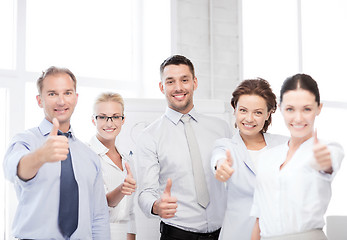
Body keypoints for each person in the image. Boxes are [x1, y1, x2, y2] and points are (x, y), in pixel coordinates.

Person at [3, 66, 110, 239]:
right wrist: (40, 156)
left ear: (76, 98)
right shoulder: (25, 141)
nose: (61, 101)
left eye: (67, 93)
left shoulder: (89, 156)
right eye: (52, 94)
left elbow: (99, 217)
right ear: (39, 100)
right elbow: (12, 168)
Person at [136, 55, 231, 240]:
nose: (178, 87)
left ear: (194, 83)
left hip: (223, 234)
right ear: (162, 87)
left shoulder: (221, 128)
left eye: (184, 80)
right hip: (177, 235)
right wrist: (156, 206)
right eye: (170, 81)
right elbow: (145, 193)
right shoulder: (149, 136)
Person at [250, 74, 344, 240]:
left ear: (318, 108)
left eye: (306, 109)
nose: (298, 118)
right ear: (280, 108)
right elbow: (259, 216)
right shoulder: (267, 158)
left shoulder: (327, 149)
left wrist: (325, 163)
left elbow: (328, 164)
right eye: (290, 109)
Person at [211, 78, 288, 240]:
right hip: (237, 234)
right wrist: (220, 167)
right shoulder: (226, 146)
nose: (249, 119)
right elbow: (218, 159)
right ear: (234, 110)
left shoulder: (284, 146)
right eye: (243, 110)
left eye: (258, 112)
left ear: (268, 114)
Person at [88, 92, 137, 240]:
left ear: (123, 120)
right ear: (93, 120)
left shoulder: (127, 159)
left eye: (115, 117)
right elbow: (98, 203)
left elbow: (130, 210)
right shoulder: (86, 156)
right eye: (102, 117)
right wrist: (122, 189)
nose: (109, 123)